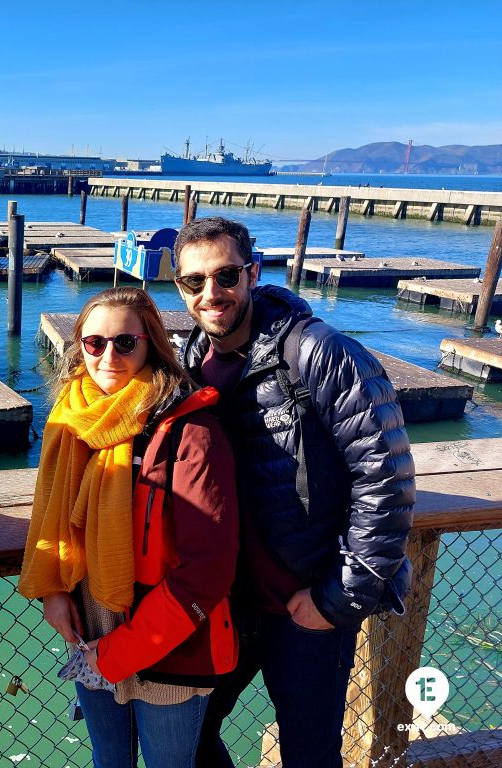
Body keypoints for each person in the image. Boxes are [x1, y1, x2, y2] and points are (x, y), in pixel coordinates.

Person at [171, 217, 415, 768]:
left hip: (305, 605)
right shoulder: (188, 363)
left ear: (253, 273)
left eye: (227, 275)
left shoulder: (321, 353)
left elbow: (388, 478)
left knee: (310, 755)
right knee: (185, 737)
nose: (212, 293)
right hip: (227, 602)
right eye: (194, 282)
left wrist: (338, 599)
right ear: (180, 288)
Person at [18, 287, 239, 768]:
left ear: (152, 345)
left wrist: (122, 651)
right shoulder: (69, 421)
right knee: (109, 760)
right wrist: (54, 591)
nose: (108, 355)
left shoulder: (192, 433)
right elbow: (52, 519)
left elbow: (208, 570)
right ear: (79, 348)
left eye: (125, 343)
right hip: (90, 625)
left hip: (169, 641)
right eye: (95, 343)